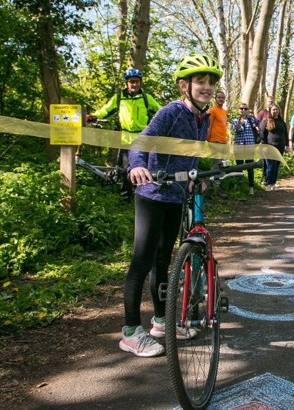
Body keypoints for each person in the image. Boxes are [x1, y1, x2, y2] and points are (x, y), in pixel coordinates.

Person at [121, 54, 222, 357]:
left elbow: (191, 155)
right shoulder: (172, 112)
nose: (206, 87)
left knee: (163, 261)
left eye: (210, 83)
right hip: (152, 194)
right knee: (142, 260)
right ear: (184, 85)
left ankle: (161, 321)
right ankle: (129, 331)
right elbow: (142, 141)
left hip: (176, 196)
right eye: (200, 82)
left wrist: (192, 179)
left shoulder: (203, 118)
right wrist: (136, 167)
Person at [87, 68, 161, 200]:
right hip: (126, 138)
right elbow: (105, 110)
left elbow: (161, 112)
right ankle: (126, 196)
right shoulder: (119, 98)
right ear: (127, 83)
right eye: (132, 81)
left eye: (137, 81)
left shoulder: (146, 98)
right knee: (127, 167)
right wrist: (93, 116)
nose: (134, 84)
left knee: (145, 166)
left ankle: (143, 193)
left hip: (143, 138)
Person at [232, 102, 259, 195]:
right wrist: (240, 119)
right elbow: (236, 130)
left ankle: (251, 187)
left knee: (250, 166)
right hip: (238, 146)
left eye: (245, 109)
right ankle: (239, 187)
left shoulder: (251, 120)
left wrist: (253, 117)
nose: (243, 110)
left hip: (249, 146)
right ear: (238, 110)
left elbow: (258, 128)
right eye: (241, 108)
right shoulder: (235, 120)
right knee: (239, 167)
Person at [259, 104, 288, 190]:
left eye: (277, 110)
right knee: (270, 166)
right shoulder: (265, 121)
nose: (275, 111)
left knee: (276, 165)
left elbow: (285, 134)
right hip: (270, 147)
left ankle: (273, 183)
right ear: (270, 111)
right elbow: (262, 134)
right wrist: (264, 145)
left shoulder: (281, 121)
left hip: (280, 147)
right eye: (274, 110)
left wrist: (287, 145)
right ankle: (268, 184)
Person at [206, 89, 229, 170]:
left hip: (223, 141)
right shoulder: (212, 110)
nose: (221, 99)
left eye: (222, 97)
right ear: (215, 99)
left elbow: (224, 126)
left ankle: (220, 180)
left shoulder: (224, 112)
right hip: (214, 140)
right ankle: (213, 180)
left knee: (223, 163)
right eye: (219, 97)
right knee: (215, 163)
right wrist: (209, 140)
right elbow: (209, 125)